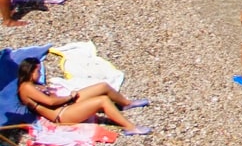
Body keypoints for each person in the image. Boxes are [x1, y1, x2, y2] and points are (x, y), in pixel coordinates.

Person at [18, 57, 150, 133]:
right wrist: (70, 97)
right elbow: (51, 103)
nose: (40, 74)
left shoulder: (32, 85)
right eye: (38, 71)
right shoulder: (26, 88)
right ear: (29, 71)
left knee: (102, 86)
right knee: (102, 100)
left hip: (64, 105)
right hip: (62, 115)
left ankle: (126, 103)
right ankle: (129, 127)